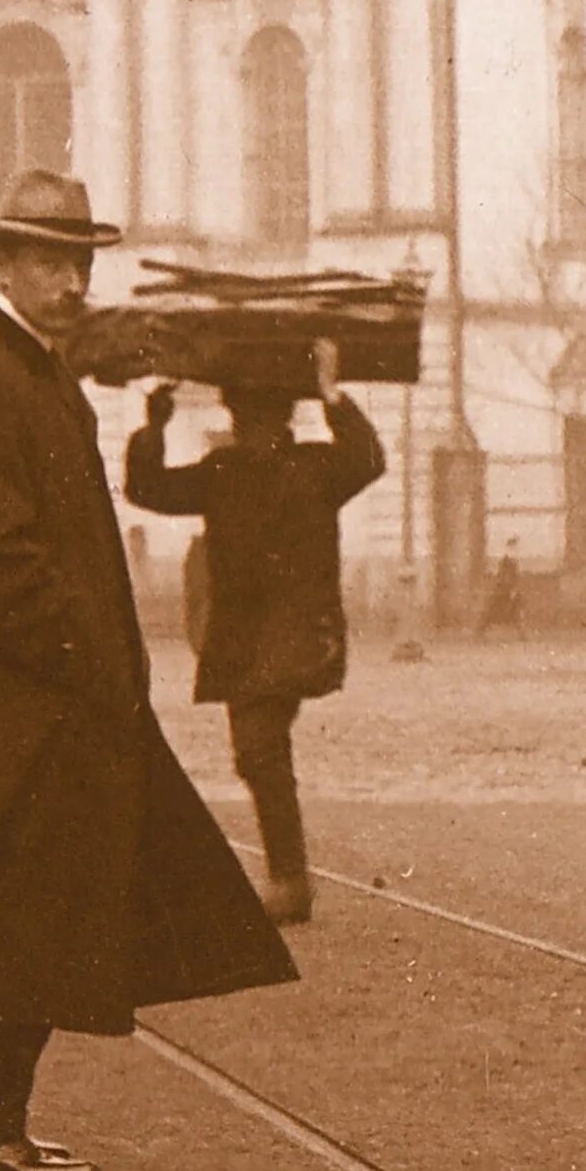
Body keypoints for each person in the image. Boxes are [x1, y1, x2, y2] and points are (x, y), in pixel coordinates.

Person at [0, 169, 296, 1171]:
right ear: (1, 262)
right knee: (30, 916)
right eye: (49, 258)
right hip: (23, 704)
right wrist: (83, 656)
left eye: (79, 260)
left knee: (37, 917)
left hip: (46, 700)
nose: (70, 278)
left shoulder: (26, 367)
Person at [125, 340, 387, 926]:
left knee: (259, 749)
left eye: (255, 418)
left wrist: (331, 395)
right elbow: (147, 490)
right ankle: (289, 878)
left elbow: (370, 459)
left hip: (286, 640)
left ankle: (291, 883)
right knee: (256, 754)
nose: (250, 428)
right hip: (255, 642)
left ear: (275, 420)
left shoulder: (300, 468)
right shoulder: (249, 470)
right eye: (245, 419)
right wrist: (155, 423)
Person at [477, 542, 528, 637]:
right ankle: (480, 629)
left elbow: (515, 577)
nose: (515, 551)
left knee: (516, 611)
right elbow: (504, 577)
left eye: (515, 548)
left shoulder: (513, 562)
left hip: (510, 590)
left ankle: (522, 633)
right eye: (512, 548)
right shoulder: (506, 562)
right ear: (508, 549)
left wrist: (514, 588)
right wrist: (511, 589)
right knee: (493, 610)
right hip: (504, 590)